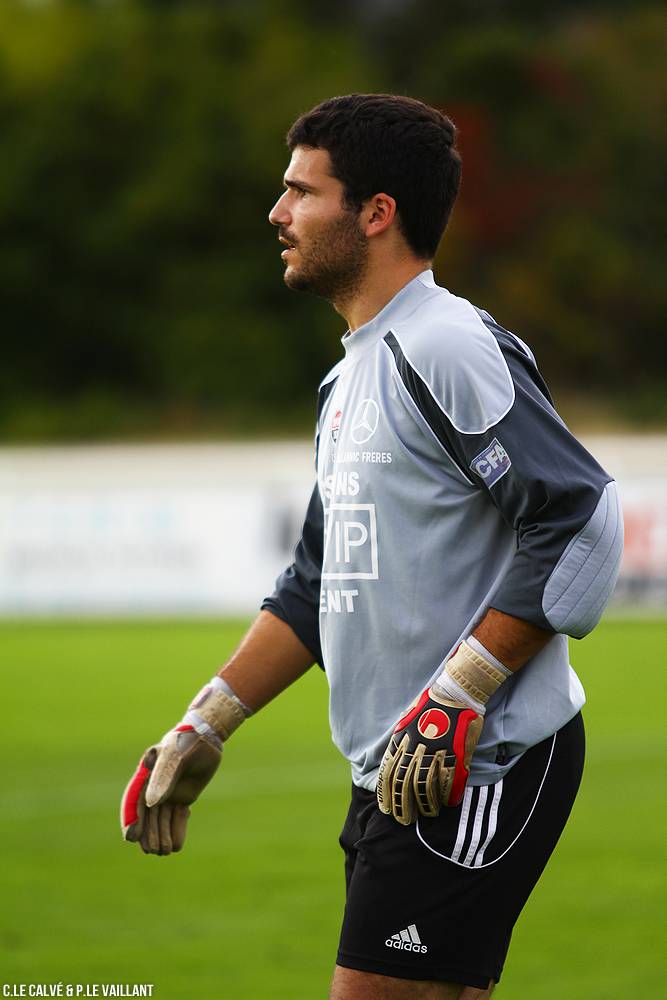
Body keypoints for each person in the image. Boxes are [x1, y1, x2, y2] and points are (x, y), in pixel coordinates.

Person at [120, 94, 623, 999]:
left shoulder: (445, 345)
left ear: (375, 213)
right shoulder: (350, 374)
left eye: (301, 191)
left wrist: (456, 697)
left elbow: (580, 518)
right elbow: (317, 581)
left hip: (477, 762)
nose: (277, 213)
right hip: (397, 769)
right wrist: (206, 722)